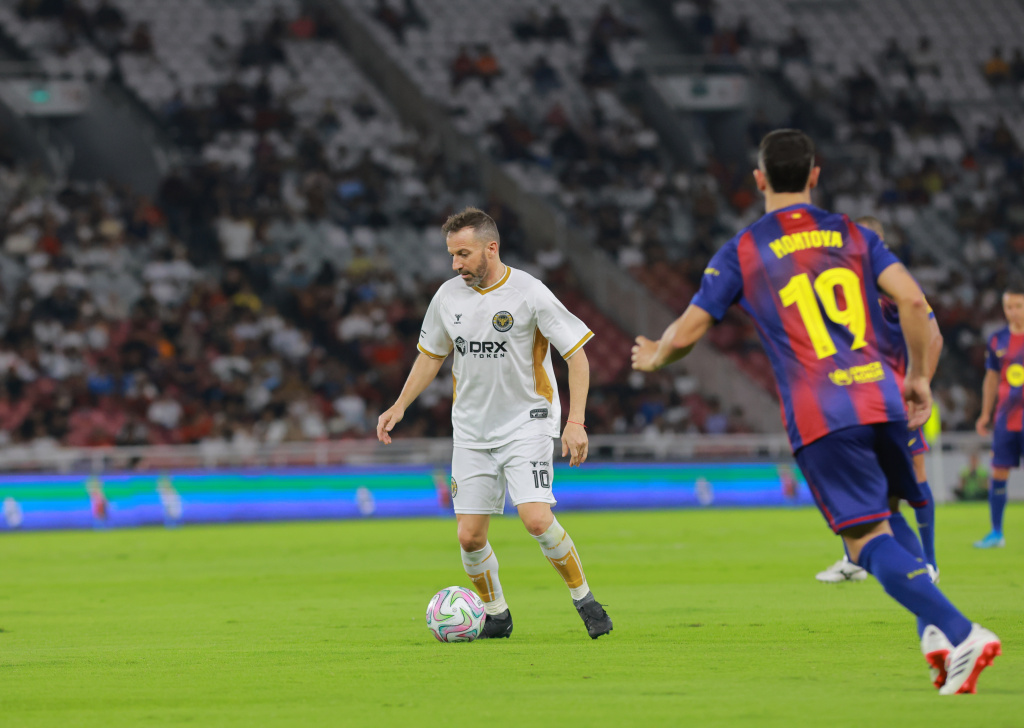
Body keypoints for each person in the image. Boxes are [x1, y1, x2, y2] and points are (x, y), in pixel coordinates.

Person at [631, 130, 1000, 695]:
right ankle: (938, 639)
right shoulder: (852, 234)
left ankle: (962, 632)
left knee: (863, 541)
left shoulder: (746, 249)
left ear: (758, 180)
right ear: (814, 175)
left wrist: (656, 355)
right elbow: (916, 303)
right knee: (889, 517)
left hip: (823, 409)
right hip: (882, 395)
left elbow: (690, 329)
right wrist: (920, 377)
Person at [376, 207, 612, 640]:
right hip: (471, 430)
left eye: (463, 254)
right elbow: (432, 354)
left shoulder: (529, 292)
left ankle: (585, 600)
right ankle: (497, 615)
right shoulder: (447, 296)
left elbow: (576, 355)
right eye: (452, 255)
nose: (456, 264)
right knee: (469, 537)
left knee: (536, 519)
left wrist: (575, 421)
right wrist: (401, 404)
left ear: (491, 248)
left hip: (529, 421)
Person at [815, 216, 943, 584]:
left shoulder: (893, 288)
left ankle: (930, 562)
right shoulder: (842, 287)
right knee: (866, 485)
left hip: (892, 400)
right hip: (854, 400)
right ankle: (854, 558)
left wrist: (919, 384)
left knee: (914, 481)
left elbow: (934, 337)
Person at [973, 279, 1024, 548]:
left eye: (1018, 306)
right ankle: (996, 533)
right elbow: (991, 379)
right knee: (998, 472)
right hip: (1005, 418)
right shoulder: (998, 339)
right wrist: (985, 414)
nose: (1012, 311)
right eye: (1008, 306)